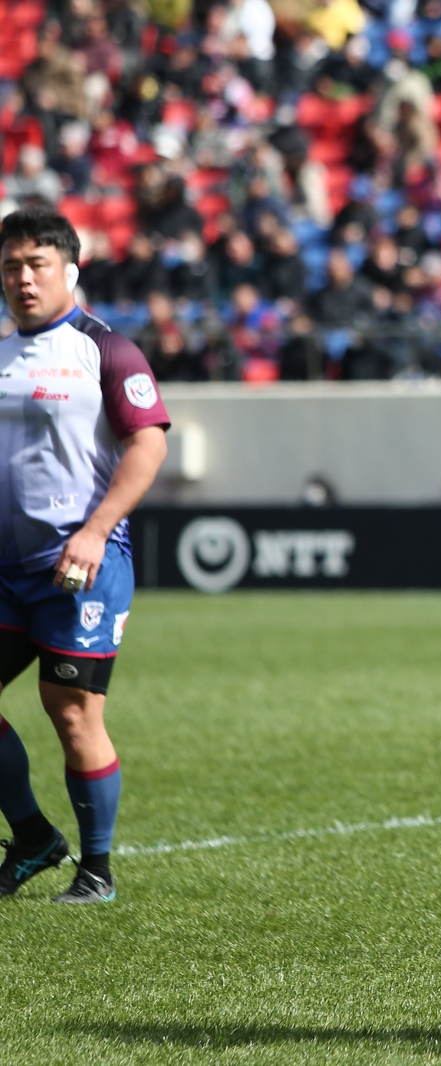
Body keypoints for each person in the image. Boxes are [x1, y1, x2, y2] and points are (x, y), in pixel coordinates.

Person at [0, 207, 171, 904]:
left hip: (81, 568)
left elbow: (149, 444)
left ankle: (95, 870)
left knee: (70, 712)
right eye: (11, 266)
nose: (22, 278)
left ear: (69, 271)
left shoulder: (107, 351)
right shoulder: (2, 354)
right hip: (6, 569)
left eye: (36, 264)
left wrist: (96, 530)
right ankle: (34, 837)